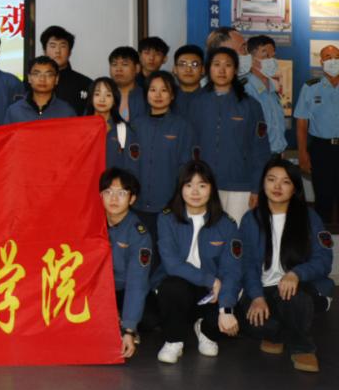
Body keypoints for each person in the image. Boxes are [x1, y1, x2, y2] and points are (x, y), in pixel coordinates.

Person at [238, 157, 334, 373]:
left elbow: (324, 259)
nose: (277, 186)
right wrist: (256, 297)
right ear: (263, 183)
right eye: (271, 179)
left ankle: (302, 347)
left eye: (286, 181)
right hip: (264, 289)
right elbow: (247, 264)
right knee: (248, 322)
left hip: (299, 288)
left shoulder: (310, 217)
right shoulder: (250, 219)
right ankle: (282, 331)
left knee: (295, 299)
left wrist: (296, 274)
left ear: (295, 188)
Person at [156, 161, 241, 364]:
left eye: (202, 185)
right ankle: (174, 340)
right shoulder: (166, 218)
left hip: (211, 292)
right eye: (188, 185)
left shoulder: (226, 224)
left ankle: (204, 330)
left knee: (232, 319)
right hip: (181, 285)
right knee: (172, 287)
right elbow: (172, 264)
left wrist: (226, 310)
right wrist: (210, 279)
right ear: (180, 188)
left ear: (211, 189)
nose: (195, 192)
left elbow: (232, 269)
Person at [187, 47, 270, 224]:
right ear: (208, 69)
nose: (222, 70)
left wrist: (256, 188)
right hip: (202, 184)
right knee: (204, 234)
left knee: (235, 235)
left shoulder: (250, 105)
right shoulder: (196, 103)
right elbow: (189, 146)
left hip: (240, 186)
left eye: (228, 65)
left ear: (236, 70)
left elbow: (260, 150)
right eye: (216, 64)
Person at [132, 71, 196, 234]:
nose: (158, 95)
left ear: (172, 95)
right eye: (153, 90)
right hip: (137, 203)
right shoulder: (135, 126)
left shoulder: (182, 127)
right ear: (146, 94)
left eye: (164, 90)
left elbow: (186, 167)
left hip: (169, 205)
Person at [99, 167, 152, 360]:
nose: (113, 199)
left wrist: (129, 330)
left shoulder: (139, 233)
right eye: (108, 192)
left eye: (121, 193)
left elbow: (137, 282)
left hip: (123, 289)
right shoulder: (90, 222)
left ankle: (124, 320)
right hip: (96, 290)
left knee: (149, 319)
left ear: (132, 199)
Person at [294, 44, 339, 226]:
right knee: (323, 197)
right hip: (322, 149)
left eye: (336, 57)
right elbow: (302, 123)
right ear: (321, 62)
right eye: (328, 57)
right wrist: (302, 153)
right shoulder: (310, 87)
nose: (333, 61)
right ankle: (322, 237)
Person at [84, 77, 139, 180]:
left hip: (113, 187)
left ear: (114, 100)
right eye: (97, 94)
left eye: (108, 95)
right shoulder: (81, 127)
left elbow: (132, 167)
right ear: (91, 98)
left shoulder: (124, 130)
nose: (102, 99)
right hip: (86, 184)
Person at [245, 35, 287, 156]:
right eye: (265, 55)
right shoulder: (244, 88)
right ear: (251, 58)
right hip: (255, 156)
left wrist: (280, 150)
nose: (271, 60)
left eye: (272, 56)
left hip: (276, 154)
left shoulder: (273, 88)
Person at [4, 56, 76, 124]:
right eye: (36, 74)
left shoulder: (66, 112)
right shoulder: (14, 111)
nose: (42, 79)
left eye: (48, 75)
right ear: (29, 78)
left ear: (56, 79)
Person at [41, 25, 91, 115]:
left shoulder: (86, 84)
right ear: (44, 51)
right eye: (53, 46)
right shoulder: (33, 82)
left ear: (70, 52)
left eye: (62, 46)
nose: (57, 51)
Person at [108, 47, 146, 122]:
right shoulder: (100, 96)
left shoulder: (147, 96)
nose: (118, 69)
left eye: (124, 64)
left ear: (137, 68)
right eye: (114, 64)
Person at [171, 44, 204, 116]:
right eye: (182, 64)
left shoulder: (212, 98)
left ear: (203, 70)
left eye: (194, 64)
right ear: (174, 69)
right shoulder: (166, 97)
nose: (188, 70)